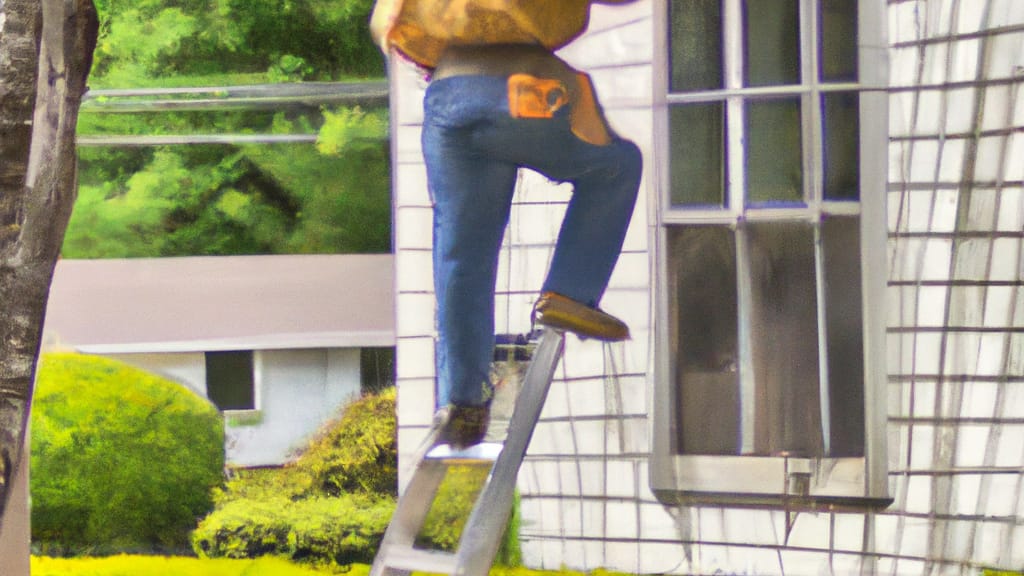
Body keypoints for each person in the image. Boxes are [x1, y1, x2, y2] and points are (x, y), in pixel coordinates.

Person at [371, 0, 642, 448]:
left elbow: (395, 27)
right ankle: (570, 294)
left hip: (449, 99)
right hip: (525, 89)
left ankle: (461, 403)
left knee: (461, 253)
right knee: (615, 166)